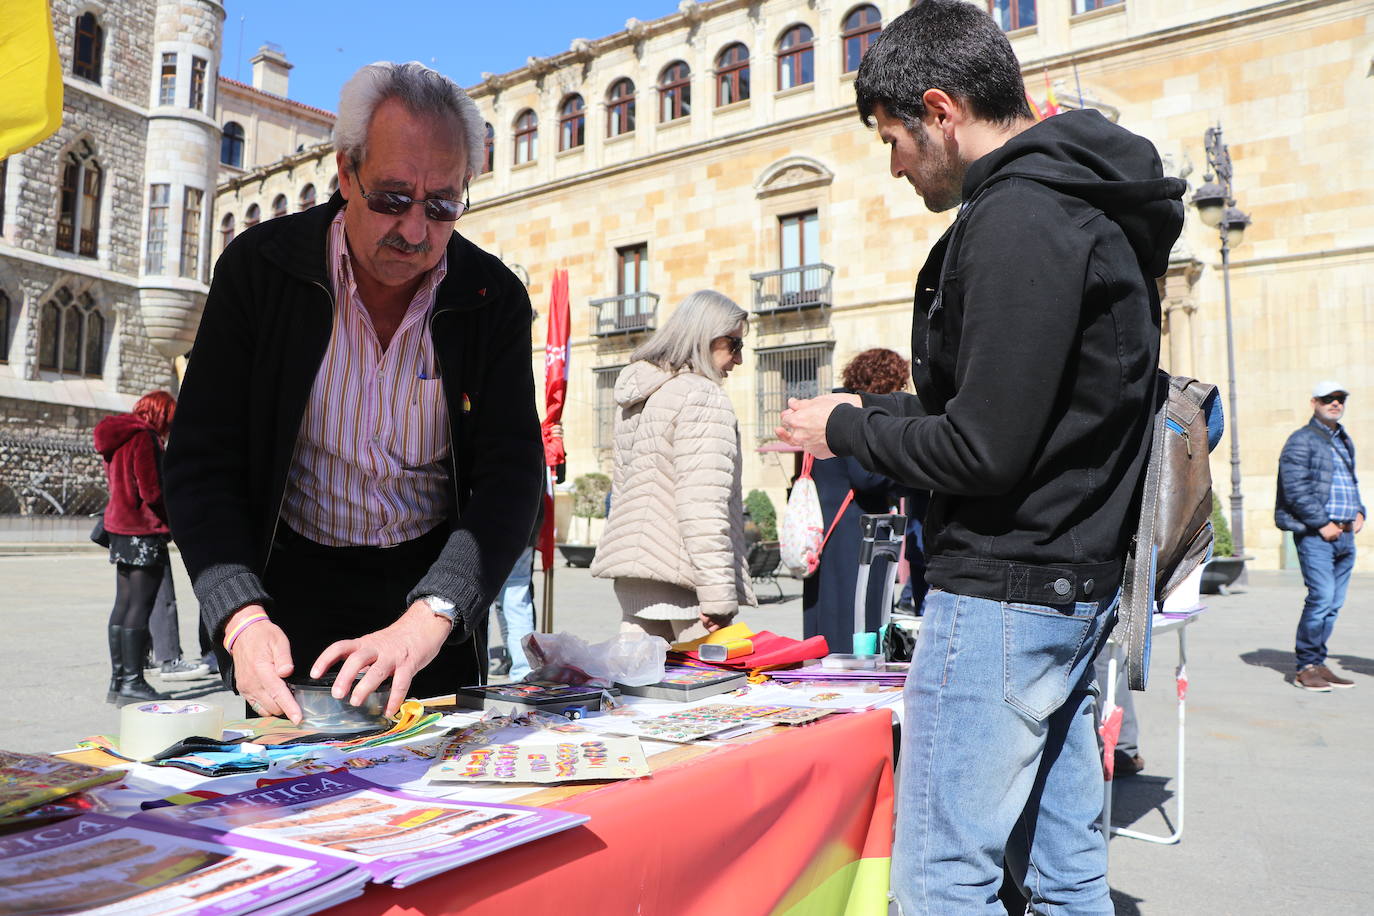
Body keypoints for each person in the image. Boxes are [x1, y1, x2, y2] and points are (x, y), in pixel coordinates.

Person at [776, 2, 1186, 911]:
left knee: (942, 881)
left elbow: (983, 447)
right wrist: (879, 409)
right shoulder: (1086, 205)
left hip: (1004, 594)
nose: (894, 167)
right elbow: (1031, 414)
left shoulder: (1018, 220)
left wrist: (844, 430)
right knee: (1067, 878)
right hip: (1071, 586)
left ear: (940, 109)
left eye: (894, 140)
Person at [164, 61, 543, 723]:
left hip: (428, 602)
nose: (416, 231)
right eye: (392, 198)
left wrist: (435, 613)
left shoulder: (494, 298)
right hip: (290, 593)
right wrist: (239, 615)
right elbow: (202, 461)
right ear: (346, 174)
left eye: (442, 205)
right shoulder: (259, 270)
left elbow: (512, 475)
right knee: (297, 800)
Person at [591, 291, 758, 642]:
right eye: (735, 345)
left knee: (638, 691)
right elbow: (703, 503)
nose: (738, 359)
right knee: (714, 692)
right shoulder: (702, 396)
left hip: (639, 575)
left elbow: (622, 487)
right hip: (686, 581)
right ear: (707, 337)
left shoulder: (641, 393)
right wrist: (718, 593)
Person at [802, 348, 909, 653]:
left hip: (830, 528)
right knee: (856, 613)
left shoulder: (829, 407)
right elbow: (868, 478)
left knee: (829, 611)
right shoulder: (854, 416)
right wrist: (909, 470)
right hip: (857, 531)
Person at [1275, 380, 1364, 691]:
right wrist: (1321, 522)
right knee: (1321, 598)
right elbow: (1295, 487)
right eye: (1329, 398)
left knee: (1334, 603)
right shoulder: (1301, 440)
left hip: (1345, 534)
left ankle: (1318, 661)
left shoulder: (1342, 439)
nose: (1336, 403)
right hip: (1318, 535)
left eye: (1340, 398)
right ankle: (1305, 667)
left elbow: (1347, 481)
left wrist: (1359, 510)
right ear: (1314, 402)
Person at [95, 390, 178, 702]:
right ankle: (133, 681)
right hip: (143, 531)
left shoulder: (116, 436)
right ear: (161, 415)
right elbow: (152, 490)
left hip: (119, 527)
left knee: (123, 604)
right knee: (140, 607)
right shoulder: (145, 437)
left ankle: (118, 682)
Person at [489, 497, 543, 681]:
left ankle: (477, 669)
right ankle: (524, 671)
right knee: (517, 602)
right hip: (525, 525)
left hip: (490, 526)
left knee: (481, 602)